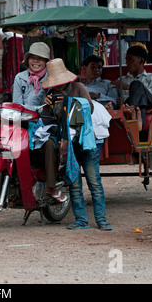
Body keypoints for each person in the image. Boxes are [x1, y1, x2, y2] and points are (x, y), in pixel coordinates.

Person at [41, 59, 111, 230]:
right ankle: (81, 220)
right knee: (75, 182)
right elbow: (47, 120)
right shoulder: (50, 94)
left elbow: (90, 109)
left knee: (94, 182)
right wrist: (48, 106)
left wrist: (68, 102)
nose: (57, 85)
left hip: (85, 141)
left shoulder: (79, 87)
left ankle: (101, 220)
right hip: (68, 144)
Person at [12, 42, 66, 201]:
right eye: (32, 58)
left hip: (45, 125)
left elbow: (49, 108)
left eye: (40, 59)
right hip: (23, 122)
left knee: (49, 144)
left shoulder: (52, 79)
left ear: (46, 62)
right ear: (27, 59)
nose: (36, 62)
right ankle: (14, 183)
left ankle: (51, 186)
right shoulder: (19, 78)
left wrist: (39, 106)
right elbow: (16, 104)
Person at [112, 46, 152, 131]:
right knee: (140, 99)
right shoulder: (121, 79)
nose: (127, 63)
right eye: (126, 60)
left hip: (150, 102)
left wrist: (129, 87)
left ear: (141, 61)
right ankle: (138, 121)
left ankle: (131, 110)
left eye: (130, 60)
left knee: (136, 84)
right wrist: (120, 101)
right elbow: (115, 98)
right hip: (130, 105)